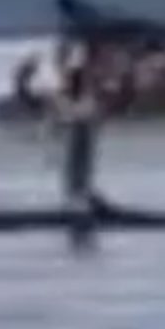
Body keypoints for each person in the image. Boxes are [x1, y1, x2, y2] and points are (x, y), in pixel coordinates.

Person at [57, 53, 103, 213]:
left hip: (81, 132)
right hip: (79, 131)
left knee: (79, 164)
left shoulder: (82, 99)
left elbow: (87, 114)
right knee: (77, 165)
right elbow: (84, 114)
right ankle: (78, 193)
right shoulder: (77, 99)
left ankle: (79, 192)